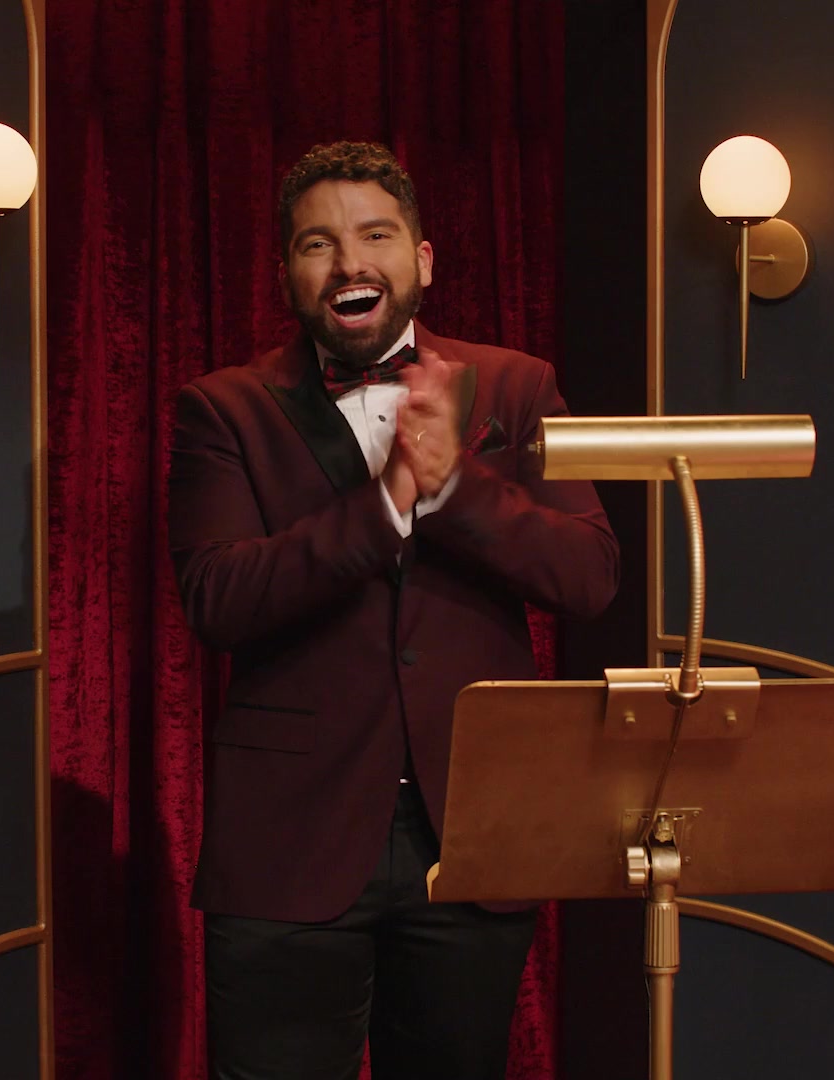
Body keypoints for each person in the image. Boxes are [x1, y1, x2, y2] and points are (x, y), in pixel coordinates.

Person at [167, 141, 619, 1080]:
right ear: (289, 274)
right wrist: (386, 504)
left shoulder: (518, 386)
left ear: (422, 258)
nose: (349, 262)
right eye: (318, 244)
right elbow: (219, 598)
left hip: (473, 835)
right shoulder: (223, 410)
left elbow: (588, 575)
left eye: (375, 235)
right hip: (290, 843)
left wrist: (454, 488)